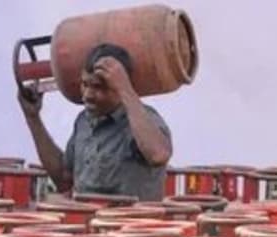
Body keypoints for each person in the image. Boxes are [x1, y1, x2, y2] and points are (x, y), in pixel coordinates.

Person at [18, 43, 172, 201]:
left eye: (98, 87)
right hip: (88, 221)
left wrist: (126, 88)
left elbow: (158, 154)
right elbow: (64, 179)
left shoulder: (144, 120)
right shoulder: (83, 121)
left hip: (130, 223)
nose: (88, 95)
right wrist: (33, 118)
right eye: (85, 84)